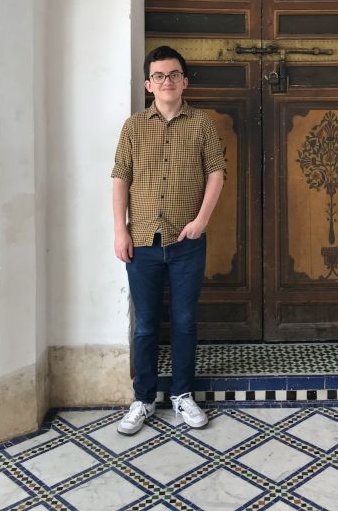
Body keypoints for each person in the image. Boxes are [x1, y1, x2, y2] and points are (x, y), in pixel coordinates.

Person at [111, 45, 225, 434]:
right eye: (158, 76)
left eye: (173, 74)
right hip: (141, 239)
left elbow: (216, 172)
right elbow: (120, 177)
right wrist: (120, 229)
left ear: (185, 81)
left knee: (184, 320)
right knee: (145, 325)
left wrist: (200, 221)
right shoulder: (133, 127)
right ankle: (143, 399)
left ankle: (181, 395)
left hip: (187, 241)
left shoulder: (203, 124)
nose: (167, 81)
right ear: (148, 84)